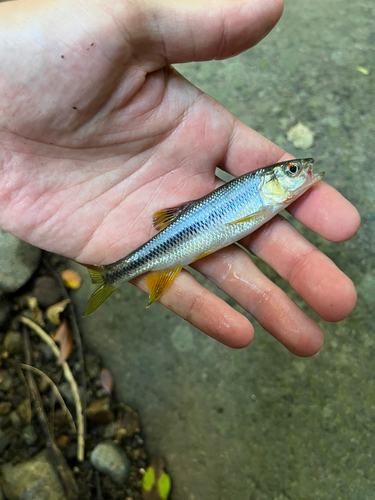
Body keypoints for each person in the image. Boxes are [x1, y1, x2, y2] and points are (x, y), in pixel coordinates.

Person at [0, 0, 359, 355]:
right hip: (175, 242)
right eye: (291, 170)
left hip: (181, 239)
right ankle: (111, 274)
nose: (298, 172)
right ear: (270, 182)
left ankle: (112, 274)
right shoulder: (259, 194)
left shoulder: (264, 196)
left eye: (293, 170)